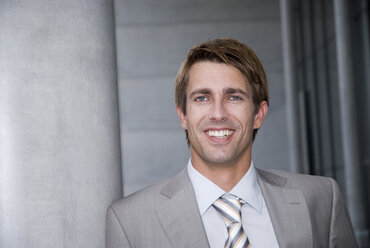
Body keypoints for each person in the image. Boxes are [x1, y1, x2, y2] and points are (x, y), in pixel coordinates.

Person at [106, 38, 358, 248]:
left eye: (234, 97)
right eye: (202, 98)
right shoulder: (129, 221)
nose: (218, 114)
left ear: (258, 114)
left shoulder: (322, 199)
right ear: (183, 115)